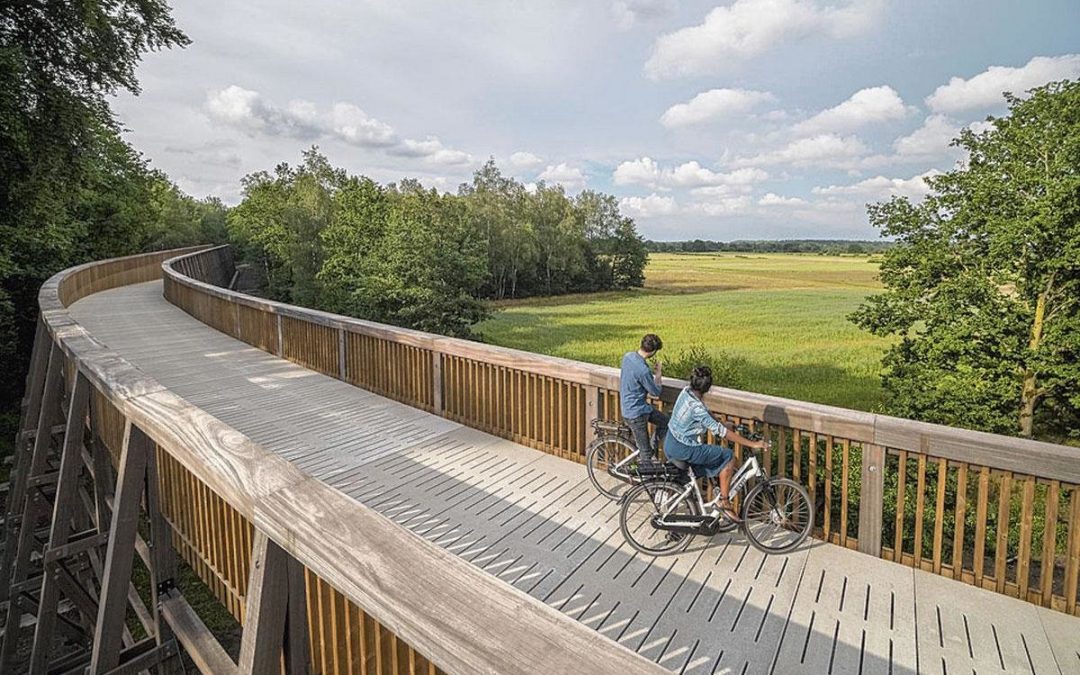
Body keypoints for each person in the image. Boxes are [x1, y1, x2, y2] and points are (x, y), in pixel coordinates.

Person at [665, 365, 766, 521]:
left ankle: (675, 514)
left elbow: (706, 413)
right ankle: (724, 502)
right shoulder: (697, 407)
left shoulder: (686, 392)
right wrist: (752, 444)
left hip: (670, 442)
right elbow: (721, 433)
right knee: (727, 456)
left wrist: (720, 422)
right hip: (684, 448)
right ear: (708, 388)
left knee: (704, 463)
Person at [619, 333, 668, 464]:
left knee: (665, 422)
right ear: (653, 352)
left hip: (636, 407)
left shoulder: (627, 357)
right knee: (645, 454)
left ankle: (651, 449)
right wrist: (658, 374)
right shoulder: (643, 370)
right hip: (636, 414)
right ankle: (646, 482)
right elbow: (655, 392)